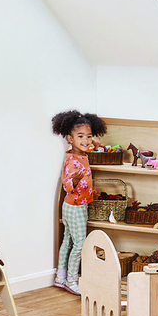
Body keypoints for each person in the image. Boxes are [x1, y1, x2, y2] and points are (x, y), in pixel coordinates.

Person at [52, 109, 107, 294]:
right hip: (76, 207)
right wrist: (75, 180)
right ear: (70, 138)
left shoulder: (76, 153)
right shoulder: (73, 162)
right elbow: (67, 185)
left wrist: (94, 143)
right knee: (80, 244)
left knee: (68, 240)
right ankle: (72, 279)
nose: (86, 141)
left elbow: (85, 145)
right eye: (81, 136)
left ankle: (60, 277)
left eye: (89, 136)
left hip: (70, 205)